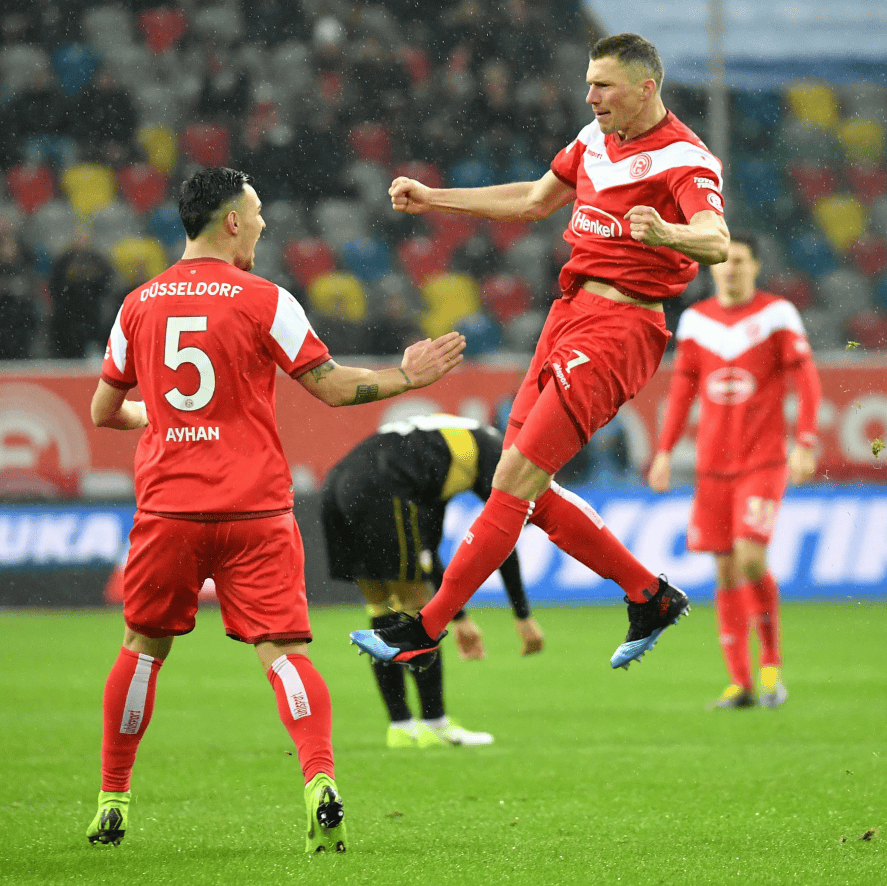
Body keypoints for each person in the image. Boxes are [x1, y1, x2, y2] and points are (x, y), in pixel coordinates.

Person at [85, 167, 465, 852]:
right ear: (231, 220)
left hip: (170, 509)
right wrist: (408, 376)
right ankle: (319, 780)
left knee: (142, 649)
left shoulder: (137, 305)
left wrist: (161, 417)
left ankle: (113, 798)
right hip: (254, 510)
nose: (262, 223)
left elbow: (103, 410)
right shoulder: (265, 299)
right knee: (284, 653)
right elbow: (331, 387)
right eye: (257, 212)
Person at [350, 33, 730, 671]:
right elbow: (533, 201)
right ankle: (649, 594)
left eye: (603, 85)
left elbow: (715, 240)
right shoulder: (593, 139)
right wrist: (435, 198)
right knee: (522, 486)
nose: (591, 96)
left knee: (514, 482)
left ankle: (425, 629)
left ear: (645, 88)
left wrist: (669, 233)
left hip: (620, 330)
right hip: (568, 316)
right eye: (588, 83)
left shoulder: (685, 160)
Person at [646, 233, 821, 709]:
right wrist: (664, 452)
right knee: (724, 572)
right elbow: (682, 391)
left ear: (756, 266)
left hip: (762, 461)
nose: (731, 269)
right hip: (712, 467)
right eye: (724, 262)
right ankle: (740, 683)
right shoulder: (697, 321)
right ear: (712, 268)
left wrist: (805, 441)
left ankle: (771, 666)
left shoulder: (777, 315)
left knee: (750, 559)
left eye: (740, 261)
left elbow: (806, 380)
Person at [321, 414, 544, 748]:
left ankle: (401, 726)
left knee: (382, 606)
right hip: (383, 486)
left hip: (338, 484)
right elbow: (502, 536)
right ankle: (435, 723)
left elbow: (427, 549)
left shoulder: (440, 451)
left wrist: (459, 617)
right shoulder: (497, 454)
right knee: (417, 608)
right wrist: (522, 615)